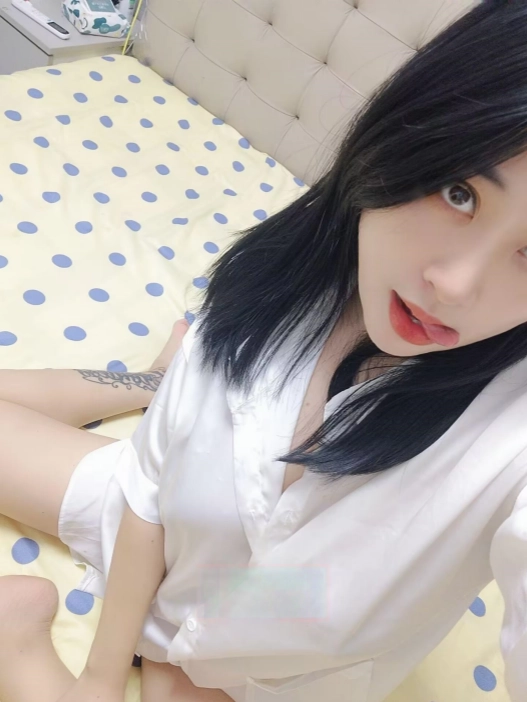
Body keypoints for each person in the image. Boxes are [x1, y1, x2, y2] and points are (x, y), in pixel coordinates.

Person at [1, 1, 527, 701]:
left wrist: (172, 649)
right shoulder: (286, 273)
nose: (455, 286)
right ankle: (153, 383)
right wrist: (101, 673)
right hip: (164, 529)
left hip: (262, 644)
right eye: (459, 193)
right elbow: (148, 496)